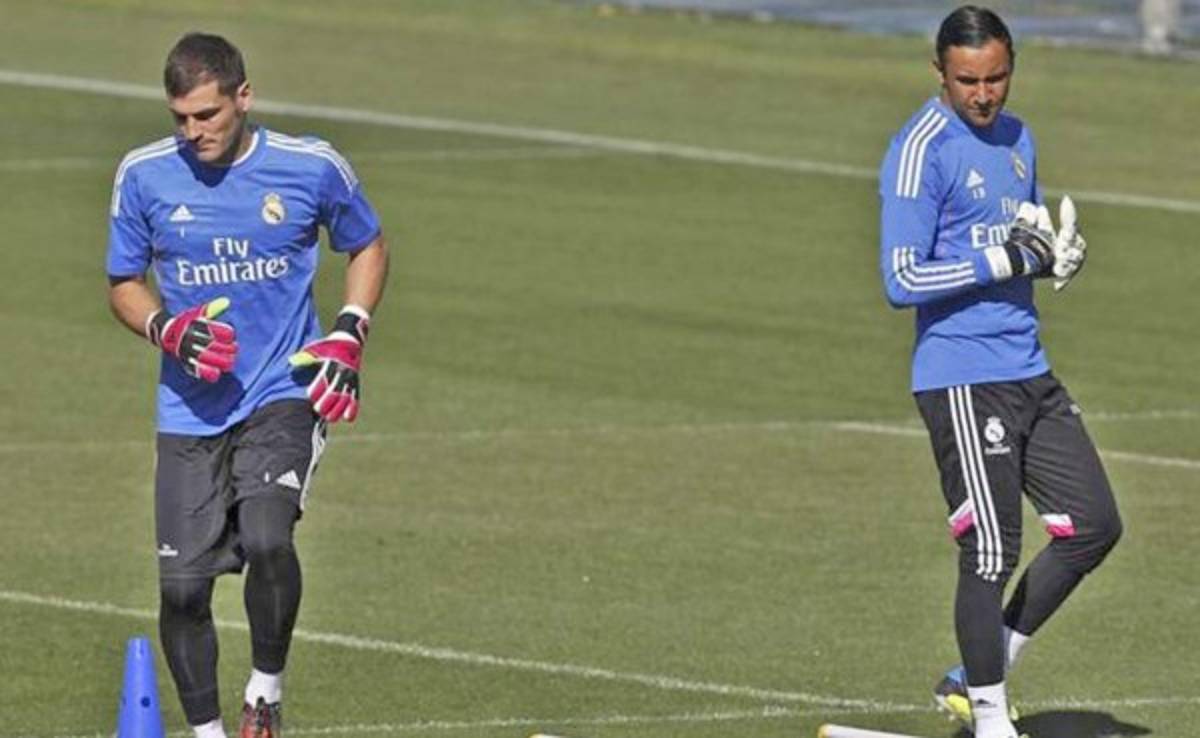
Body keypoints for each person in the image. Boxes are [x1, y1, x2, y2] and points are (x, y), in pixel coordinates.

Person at [106, 32, 389, 738]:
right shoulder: (143, 176)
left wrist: (350, 329)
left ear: (243, 96)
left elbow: (367, 243)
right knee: (181, 592)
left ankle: (264, 692)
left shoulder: (309, 166)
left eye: (207, 114)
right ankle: (206, 733)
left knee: (268, 536)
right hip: (188, 408)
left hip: (282, 391)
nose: (193, 131)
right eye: (180, 118)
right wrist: (165, 330)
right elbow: (123, 284)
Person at [877, 6, 1120, 738]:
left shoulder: (1019, 141)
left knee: (1094, 527)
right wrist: (1006, 259)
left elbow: (1021, 240)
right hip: (960, 375)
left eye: (997, 78)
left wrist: (1051, 258)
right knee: (989, 547)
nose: (984, 96)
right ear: (939, 73)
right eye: (967, 81)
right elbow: (901, 278)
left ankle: (975, 672)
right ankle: (989, 719)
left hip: (1029, 368)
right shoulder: (920, 150)